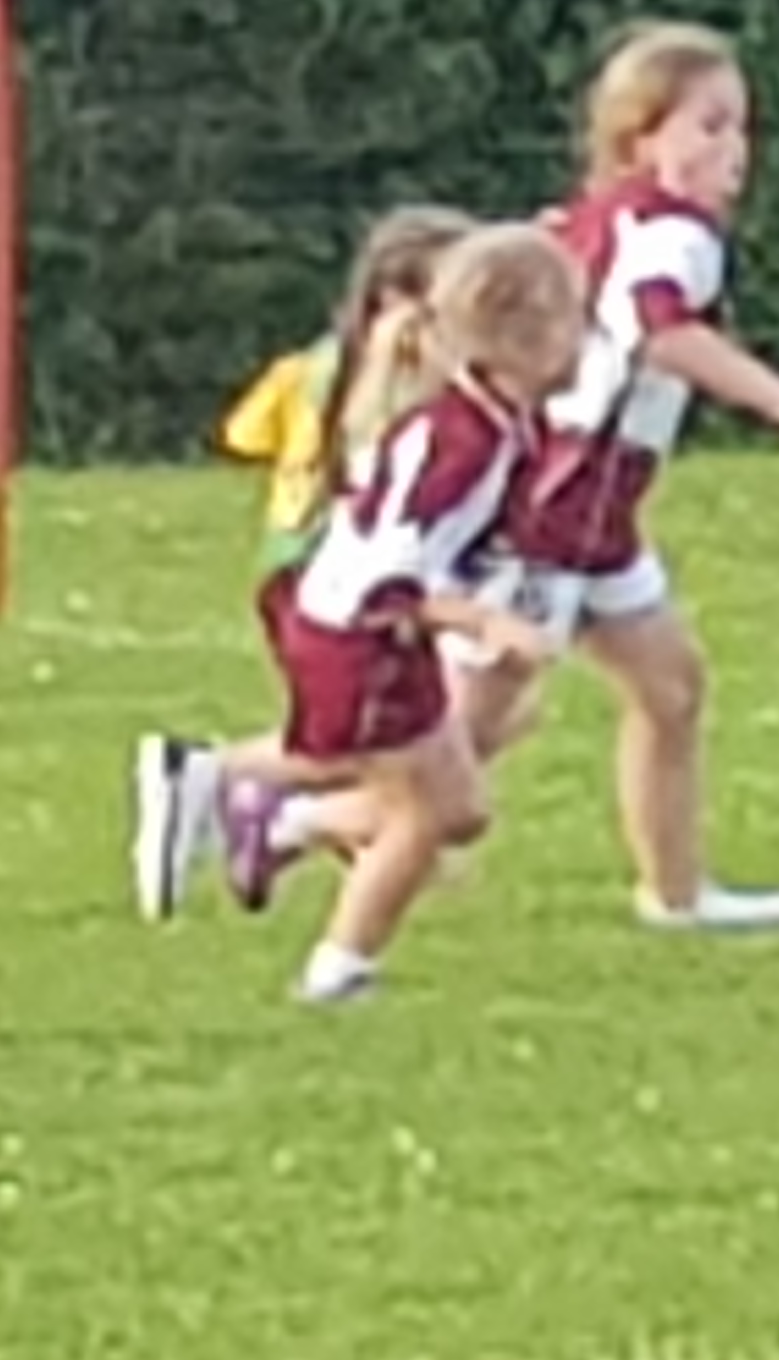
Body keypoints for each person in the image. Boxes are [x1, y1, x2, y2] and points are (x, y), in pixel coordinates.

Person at [232, 21, 779, 931]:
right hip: (554, 515)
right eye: (709, 126)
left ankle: (677, 898)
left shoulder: (602, 216)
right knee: (455, 749)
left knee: (671, 689)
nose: (735, 149)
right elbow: (660, 328)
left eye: (741, 126)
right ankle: (259, 803)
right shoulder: (674, 237)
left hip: (596, 519)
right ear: (642, 138)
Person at [208, 221, 577, 1002]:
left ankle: (269, 820)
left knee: (460, 808)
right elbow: (389, 568)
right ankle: (337, 967)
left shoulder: (495, 420)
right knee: (423, 813)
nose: (587, 336)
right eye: (574, 317)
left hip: (372, 632)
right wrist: (483, 623)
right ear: (519, 337)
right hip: (357, 635)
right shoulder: (461, 443)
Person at [129, 204, 474, 919]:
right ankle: (222, 784)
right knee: (359, 752)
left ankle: (319, 824)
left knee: (420, 747)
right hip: (336, 586)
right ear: (399, 299)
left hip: (298, 571)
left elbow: (248, 434)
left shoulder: (322, 362)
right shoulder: (399, 374)